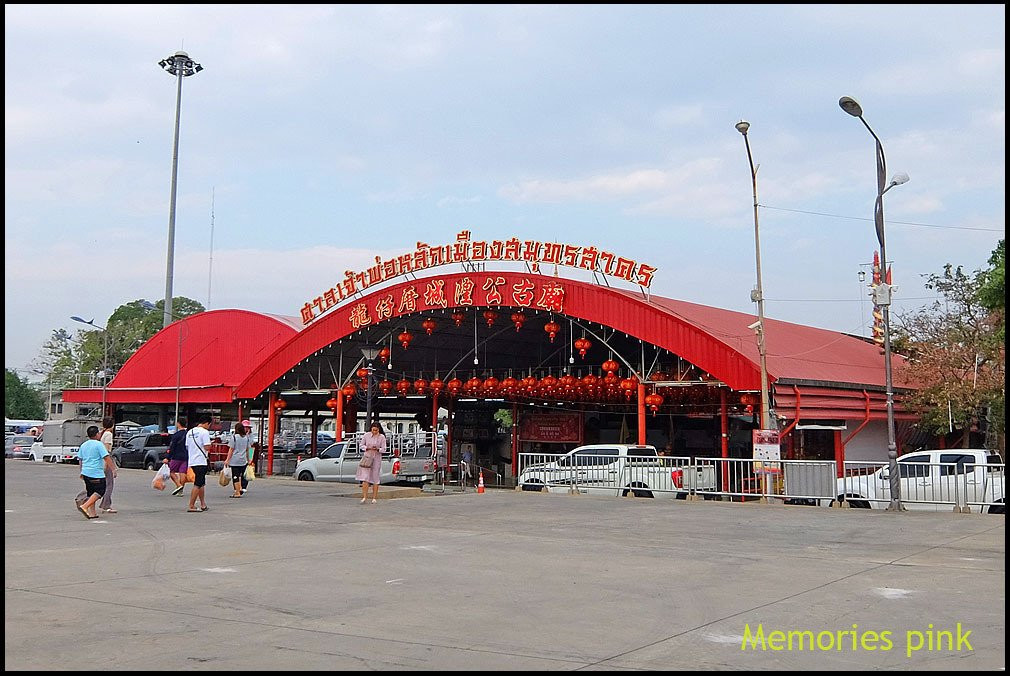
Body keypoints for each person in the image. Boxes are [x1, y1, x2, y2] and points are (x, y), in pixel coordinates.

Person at [76, 425, 116, 519]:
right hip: (96, 472)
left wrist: (81, 471)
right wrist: (113, 469)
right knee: (100, 491)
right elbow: (106, 457)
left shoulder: (84, 445)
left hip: (86, 472)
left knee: (91, 492)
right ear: (97, 434)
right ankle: (85, 506)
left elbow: (80, 459)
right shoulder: (98, 444)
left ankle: (92, 513)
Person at [185, 414, 212, 512]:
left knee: (201, 483)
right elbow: (207, 447)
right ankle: (191, 505)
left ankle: (203, 504)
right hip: (201, 460)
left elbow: (187, 446)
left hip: (192, 460)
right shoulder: (204, 432)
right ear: (207, 423)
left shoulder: (189, 432)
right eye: (209, 425)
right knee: (198, 483)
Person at [355, 422, 386, 504]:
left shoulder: (382, 437)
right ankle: (364, 497)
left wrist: (378, 449)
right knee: (365, 478)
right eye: (373, 430)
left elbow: (384, 449)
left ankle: (374, 498)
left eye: (376, 430)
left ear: (379, 430)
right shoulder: (366, 435)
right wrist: (367, 448)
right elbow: (361, 445)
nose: (374, 432)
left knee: (375, 477)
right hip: (367, 458)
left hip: (376, 459)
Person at [224, 422, 252, 498]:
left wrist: (227, 459)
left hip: (234, 460)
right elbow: (248, 449)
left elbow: (231, 449)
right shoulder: (247, 438)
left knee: (235, 476)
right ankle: (240, 488)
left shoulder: (234, 437)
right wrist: (249, 459)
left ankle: (237, 492)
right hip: (243, 460)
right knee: (242, 475)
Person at [97, 417, 117, 513]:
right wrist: (108, 464)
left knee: (103, 483)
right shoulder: (108, 434)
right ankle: (106, 505)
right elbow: (107, 450)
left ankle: (104, 503)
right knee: (109, 484)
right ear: (112, 425)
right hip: (107, 460)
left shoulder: (103, 434)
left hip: (101, 460)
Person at [166, 416, 189, 496]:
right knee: (182, 473)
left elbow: (172, 447)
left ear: (178, 424)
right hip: (186, 457)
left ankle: (179, 485)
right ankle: (180, 491)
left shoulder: (176, 435)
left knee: (171, 471)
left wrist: (168, 458)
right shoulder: (188, 434)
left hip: (176, 456)